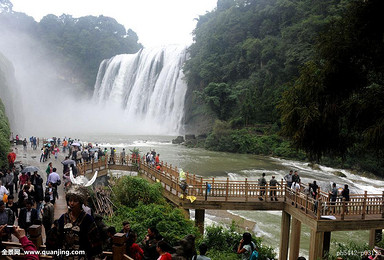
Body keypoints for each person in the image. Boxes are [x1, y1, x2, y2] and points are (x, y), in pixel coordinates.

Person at [55, 185, 102, 258]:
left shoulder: (87, 219)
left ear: (81, 203)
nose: (72, 203)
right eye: (70, 200)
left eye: (75, 201)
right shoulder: (63, 218)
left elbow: (95, 240)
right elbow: (58, 238)